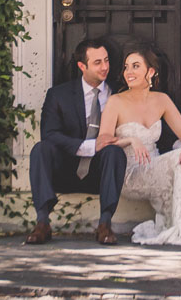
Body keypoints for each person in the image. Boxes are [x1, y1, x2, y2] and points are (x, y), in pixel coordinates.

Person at [96, 44, 181, 245]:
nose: (128, 72)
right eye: (126, 67)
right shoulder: (116, 102)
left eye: (135, 66)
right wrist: (131, 140)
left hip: (154, 167)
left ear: (150, 71)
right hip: (129, 174)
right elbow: (101, 143)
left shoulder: (161, 100)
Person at [27, 37, 130, 244]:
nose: (105, 67)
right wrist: (90, 146)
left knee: (114, 152)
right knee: (40, 149)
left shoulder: (119, 93)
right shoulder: (58, 95)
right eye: (98, 63)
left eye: (107, 60)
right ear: (82, 66)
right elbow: (50, 134)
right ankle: (42, 222)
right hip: (66, 167)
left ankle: (105, 224)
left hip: (101, 171)